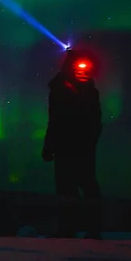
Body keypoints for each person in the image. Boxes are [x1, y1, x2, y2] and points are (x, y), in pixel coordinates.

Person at [42, 49, 103, 239]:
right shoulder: (64, 89)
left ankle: (80, 229)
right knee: (70, 189)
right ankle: (72, 229)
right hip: (71, 147)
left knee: (77, 187)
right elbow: (55, 120)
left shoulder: (81, 91)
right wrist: (50, 145)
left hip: (74, 147)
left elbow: (93, 122)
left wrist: (50, 145)